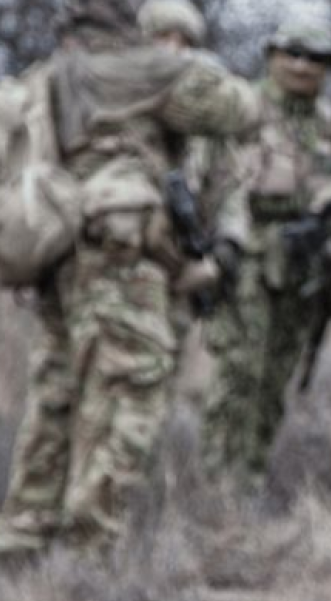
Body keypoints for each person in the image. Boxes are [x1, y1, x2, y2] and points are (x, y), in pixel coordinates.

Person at [0, 0, 259, 554]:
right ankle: (89, 542)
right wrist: (185, 68)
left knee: (58, 391)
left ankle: (22, 531)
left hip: (63, 252)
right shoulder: (145, 68)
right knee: (130, 388)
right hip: (123, 255)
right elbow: (240, 109)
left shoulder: (55, 72)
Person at [199, 18, 331, 492]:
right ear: (273, 54)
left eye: (316, 58)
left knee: (277, 376)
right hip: (248, 258)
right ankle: (216, 484)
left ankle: (250, 475)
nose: (303, 66)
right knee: (238, 372)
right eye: (294, 54)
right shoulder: (244, 108)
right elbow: (215, 180)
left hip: (306, 267)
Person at [136, 0, 251, 387]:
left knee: (159, 384)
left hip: (182, 269)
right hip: (128, 264)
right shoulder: (124, 102)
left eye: (183, 41)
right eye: (163, 37)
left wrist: (225, 249)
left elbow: (230, 184)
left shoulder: (206, 115)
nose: (173, 49)